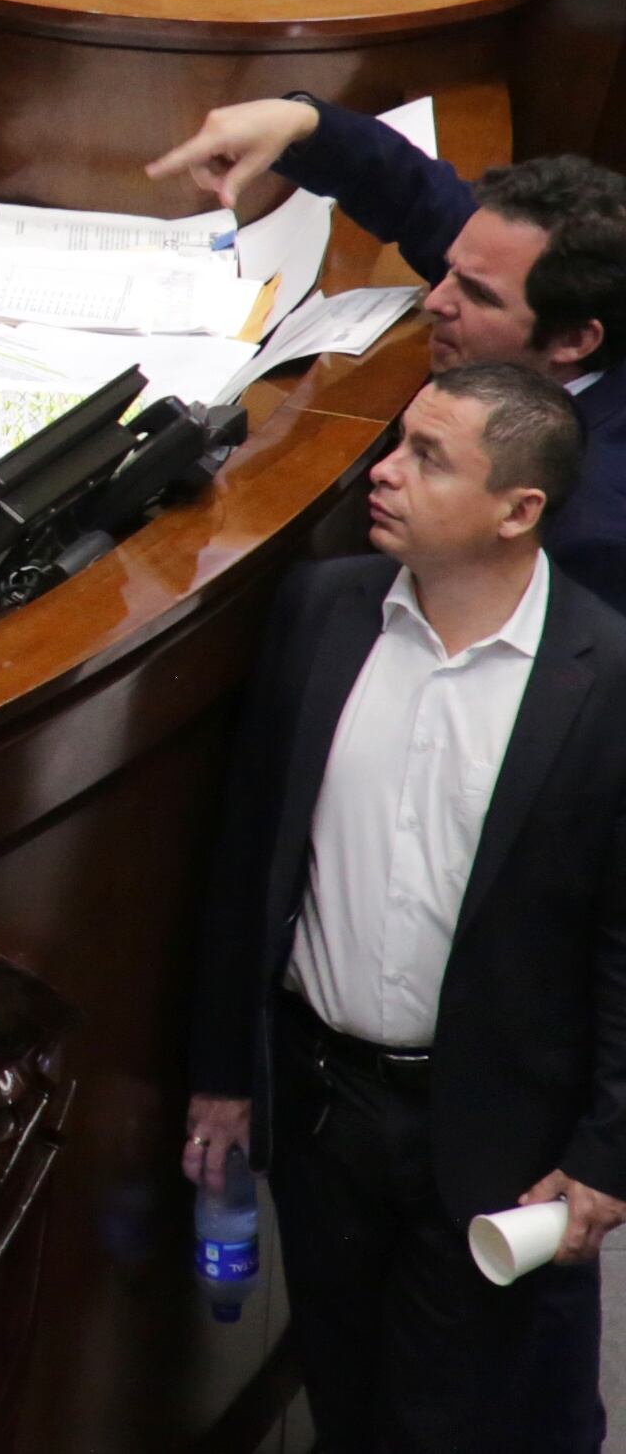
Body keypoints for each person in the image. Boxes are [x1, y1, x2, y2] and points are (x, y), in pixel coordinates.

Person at [184, 364, 626, 1452]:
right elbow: (247, 857)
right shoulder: (318, 611)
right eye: (397, 441)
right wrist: (224, 1077)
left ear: (517, 509)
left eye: (427, 458)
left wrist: (609, 1148)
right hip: (323, 1106)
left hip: (491, 1128)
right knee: (343, 1393)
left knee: (454, 1419)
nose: (381, 470)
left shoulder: (606, 679)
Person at [148, 99, 626, 610]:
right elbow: (414, 194)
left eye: (477, 295)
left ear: (575, 341)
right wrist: (299, 124)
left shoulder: (587, 529)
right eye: (450, 271)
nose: (437, 299)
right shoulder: (529, 271)